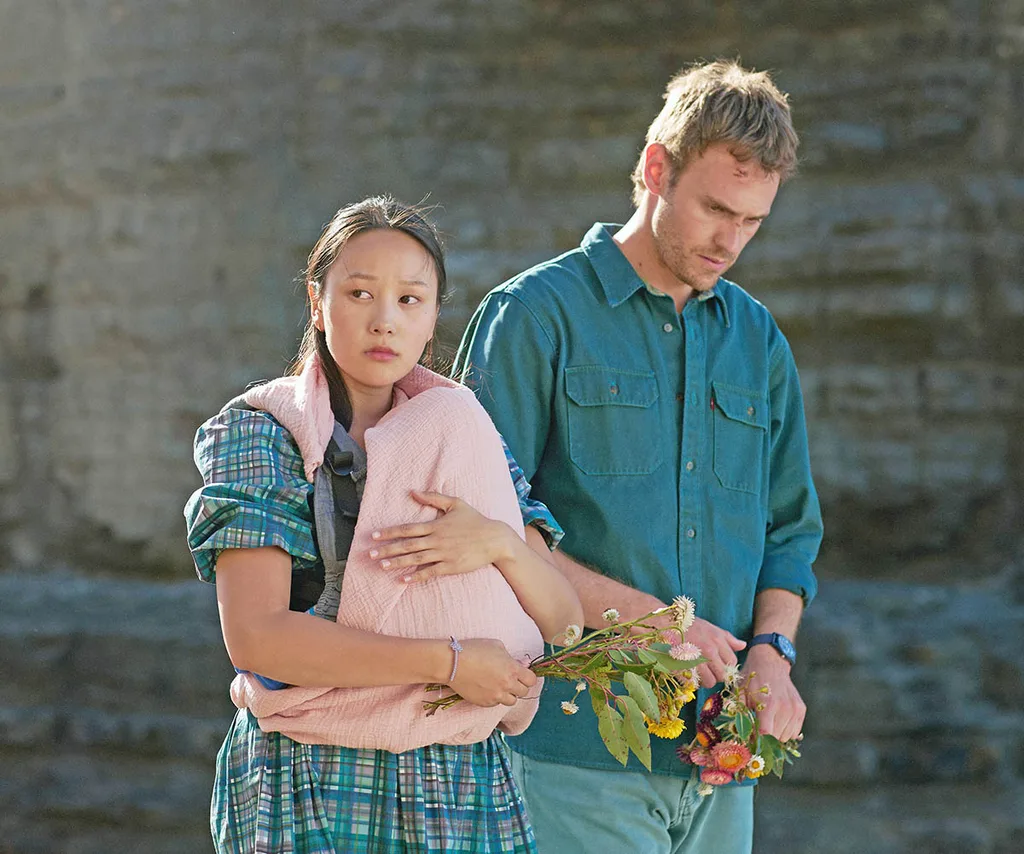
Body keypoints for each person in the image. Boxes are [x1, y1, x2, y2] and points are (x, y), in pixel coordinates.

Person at [449, 60, 824, 853]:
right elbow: (479, 532)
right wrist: (652, 628)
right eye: (715, 209)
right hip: (568, 754)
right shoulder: (532, 317)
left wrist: (774, 651)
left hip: (722, 761)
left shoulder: (758, 341)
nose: (731, 241)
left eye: (753, 221)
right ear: (656, 169)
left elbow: (791, 531)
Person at [184, 195, 582, 853]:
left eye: (409, 300)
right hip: (318, 773)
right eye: (360, 293)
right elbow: (256, 639)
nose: (383, 321)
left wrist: (500, 543)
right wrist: (448, 663)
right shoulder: (264, 437)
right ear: (318, 301)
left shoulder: (465, 435)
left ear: (432, 320)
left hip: (462, 780)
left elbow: (563, 622)